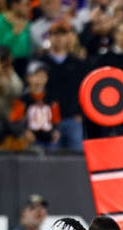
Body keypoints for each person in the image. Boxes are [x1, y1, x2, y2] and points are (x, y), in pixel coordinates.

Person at [39, 20, 88, 152]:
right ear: (49, 37)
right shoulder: (41, 63)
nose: (59, 38)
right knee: (49, 160)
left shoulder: (77, 63)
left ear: (68, 37)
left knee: (78, 160)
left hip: (72, 118)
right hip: (48, 119)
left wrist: (80, 112)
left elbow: (84, 90)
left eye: (62, 34)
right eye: (55, 34)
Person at [0, 0, 33, 71]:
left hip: (27, 66)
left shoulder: (28, 24)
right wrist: (13, 34)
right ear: (15, 5)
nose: (30, 8)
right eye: (27, 5)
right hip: (3, 67)